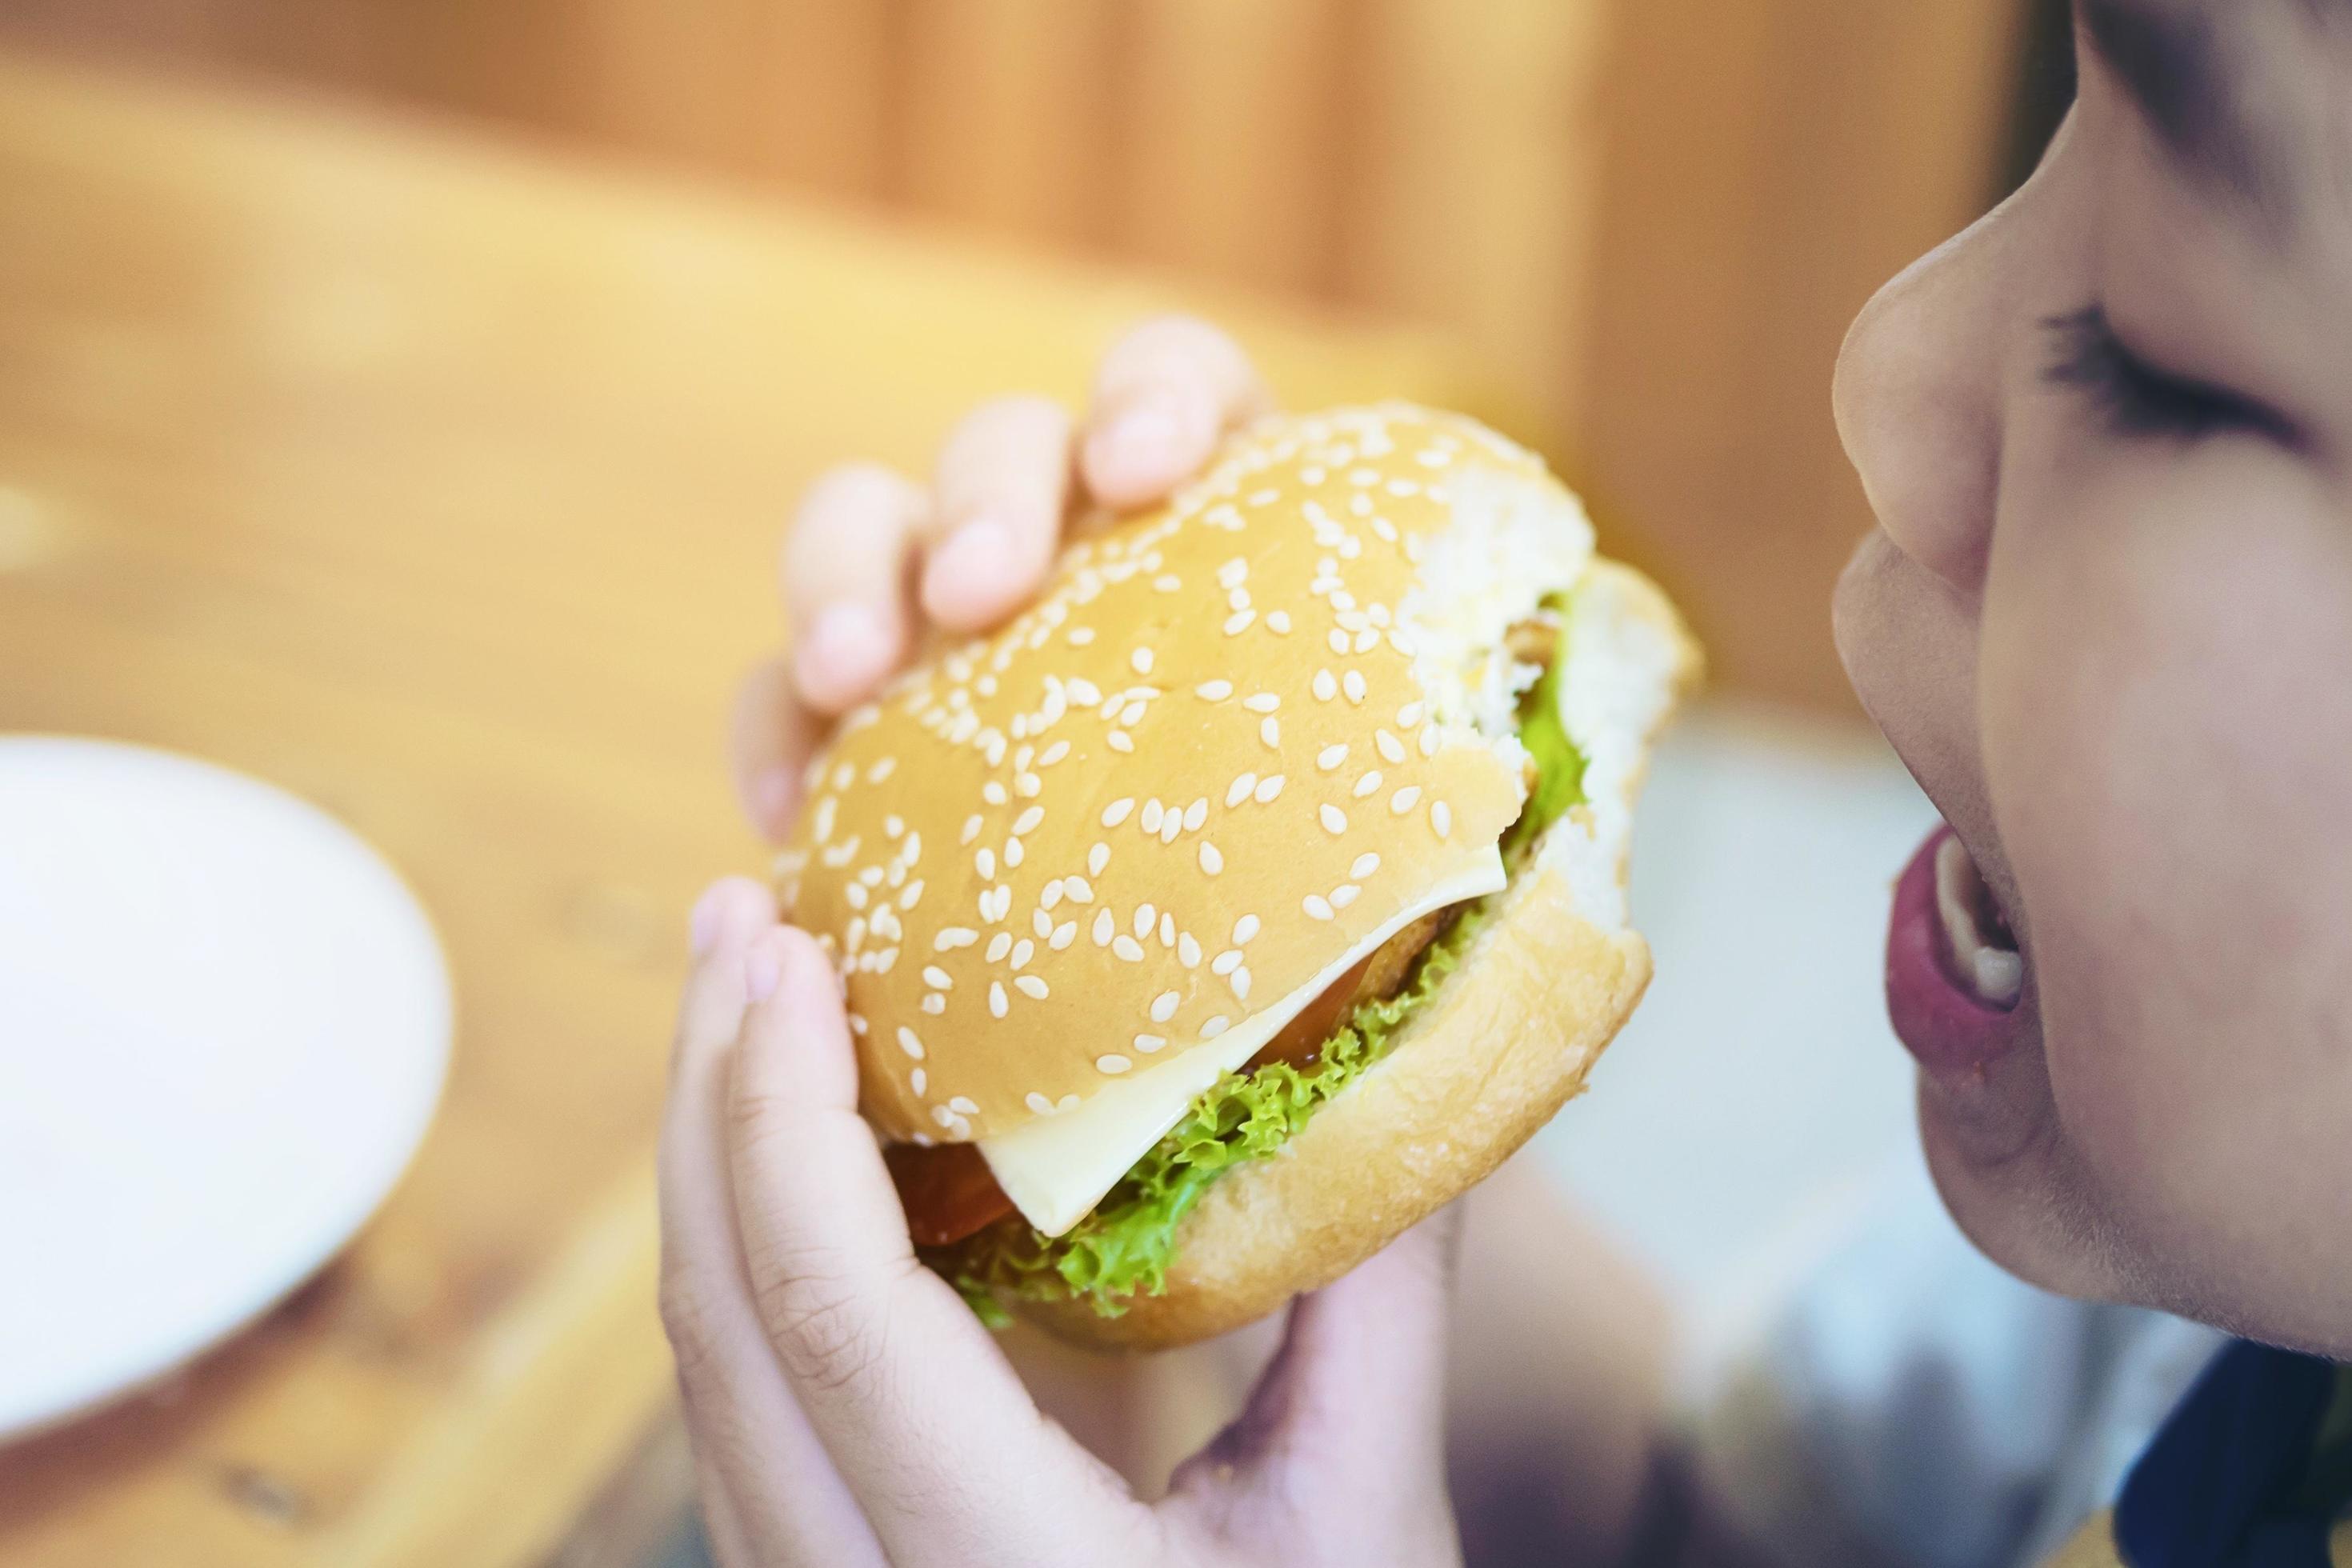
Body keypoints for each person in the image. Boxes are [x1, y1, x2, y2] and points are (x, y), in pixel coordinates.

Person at [654, 0, 2352, 1561]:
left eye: (2153, 347)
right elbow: (1744, 1517)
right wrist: (1240, 1032)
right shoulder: (2208, 1294)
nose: (1882, 373)